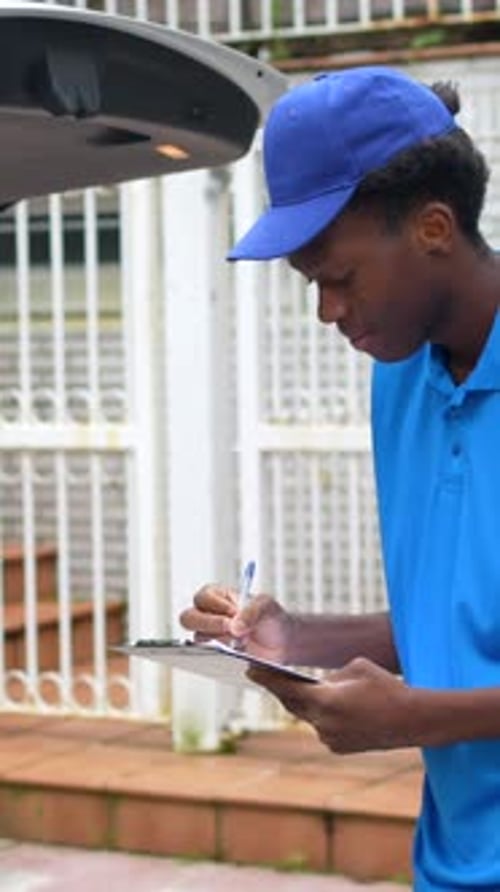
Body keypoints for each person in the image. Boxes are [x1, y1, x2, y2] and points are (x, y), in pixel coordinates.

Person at [180, 65, 500, 890]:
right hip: (454, 859)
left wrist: (417, 717)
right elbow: (461, 624)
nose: (326, 311)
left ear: (433, 227)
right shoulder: (403, 379)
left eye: (338, 277)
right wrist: (298, 640)